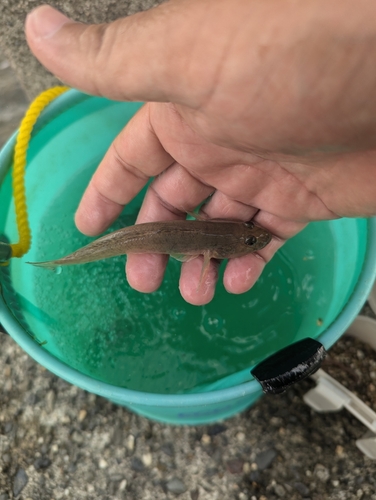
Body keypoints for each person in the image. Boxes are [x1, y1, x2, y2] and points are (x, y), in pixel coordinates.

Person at [25, 1, 376, 305]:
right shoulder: (211, 233)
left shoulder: (210, 225)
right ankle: (66, 259)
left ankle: (65, 259)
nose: (256, 238)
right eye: (251, 237)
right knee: (113, 239)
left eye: (249, 238)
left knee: (117, 238)